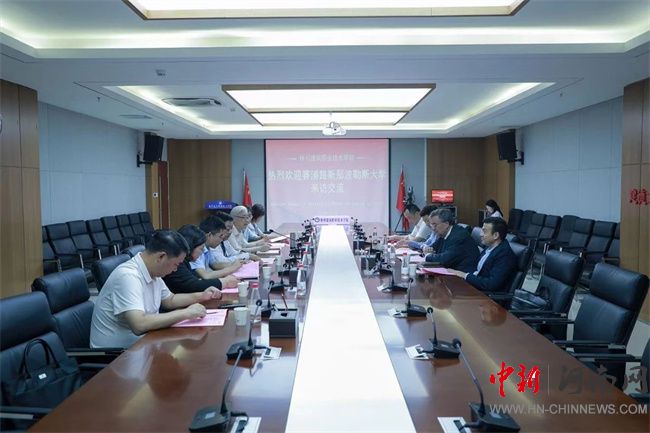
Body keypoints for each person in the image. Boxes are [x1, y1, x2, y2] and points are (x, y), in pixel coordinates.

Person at [90, 229, 221, 349]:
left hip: (146, 343)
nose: (175, 269)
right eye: (176, 264)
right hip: (118, 356)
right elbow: (139, 324)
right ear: (161, 257)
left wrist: (202, 295)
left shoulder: (152, 272)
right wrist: (186, 313)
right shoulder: (128, 276)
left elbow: (170, 300)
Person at [447, 217, 517, 292]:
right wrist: (459, 273)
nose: (481, 234)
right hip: (474, 287)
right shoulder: (489, 247)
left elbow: (490, 284)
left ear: (496, 235)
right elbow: (478, 270)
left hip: (486, 295)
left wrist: (465, 275)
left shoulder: (505, 255)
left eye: (484, 231)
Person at [164, 224, 239, 293]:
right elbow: (192, 284)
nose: (202, 252)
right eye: (201, 249)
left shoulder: (185, 261)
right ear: (190, 246)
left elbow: (195, 279)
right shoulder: (176, 263)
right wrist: (224, 282)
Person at [424, 208, 479, 273]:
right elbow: (433, 247)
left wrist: (428, 255)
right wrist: (427, 249)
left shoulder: (458, 236)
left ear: (446, 224)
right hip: (451, 270)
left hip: (462, 275)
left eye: (435, 225)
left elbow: (444, 260)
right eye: (431, 225)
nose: (433, 228)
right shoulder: (443, 233)